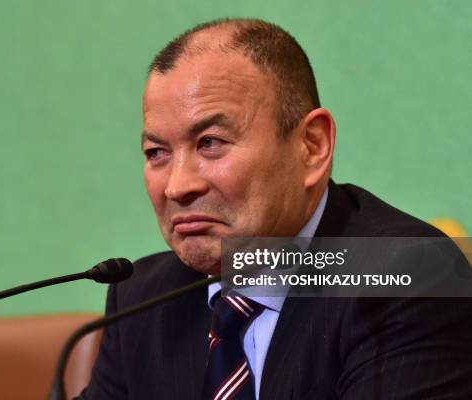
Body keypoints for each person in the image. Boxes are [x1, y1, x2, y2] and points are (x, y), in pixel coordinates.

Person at [77, 18, 472, 399]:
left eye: (211, 142)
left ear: (312, 146)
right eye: (156, 152)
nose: (178, 186)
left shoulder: (401, 274)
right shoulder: (143, 297)